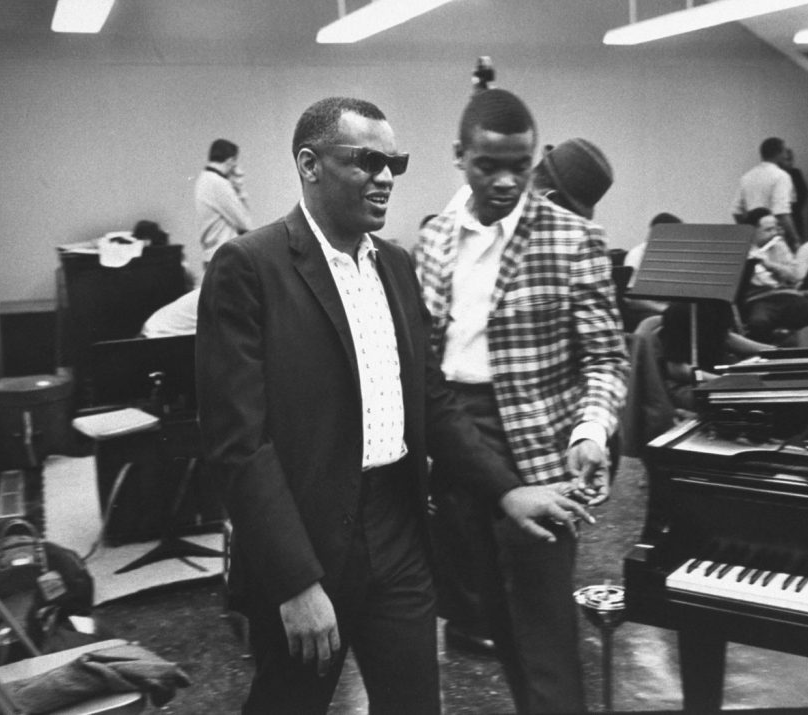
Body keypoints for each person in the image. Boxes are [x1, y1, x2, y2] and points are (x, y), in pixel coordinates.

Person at [196, 96, 591, 715]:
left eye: (394, 163)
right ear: (310, 164)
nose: (386, 177)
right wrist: (296, 581)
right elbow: (238, 445)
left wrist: (507, 491)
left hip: (399, 532)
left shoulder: (396, 267)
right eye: (368, 161)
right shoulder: (250, 267)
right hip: (308, 539)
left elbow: (431, 402)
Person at [415, 88, 629, 714]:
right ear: (460, 156)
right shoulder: (431, 240)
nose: (507, 180)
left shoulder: (574, 238)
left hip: (539, 451)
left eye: (522, 164)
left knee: (544, 634)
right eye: (489, 166)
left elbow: (607, 358)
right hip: (455, 444)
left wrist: (591, 429)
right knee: (490, 621)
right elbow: (426, 359)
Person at [741, 208, 808, 345]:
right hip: (758, 299)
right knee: (758, 324)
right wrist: (749, 265)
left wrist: (770, 265)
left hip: (787, 295)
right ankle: (770, 356)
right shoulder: (741, 249)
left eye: (776, 229)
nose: (774, 234)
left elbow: (794, 275)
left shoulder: (779, 245)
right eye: (768, 230)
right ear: (752, 230)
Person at [658, 300, 772, 410]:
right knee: (749, 399)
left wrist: (774, 351)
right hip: (687, 384)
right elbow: (677, 370)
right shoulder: (677, 311)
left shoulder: (719, 302)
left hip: (718, 373)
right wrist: (723, 380)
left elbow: (726, 338)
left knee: (770, 382)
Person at [732, 137, 800, 250]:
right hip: (774, 237)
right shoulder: (781, 176)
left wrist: (749, 230)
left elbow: (736, 211)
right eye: (784, 152)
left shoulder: (747, 176)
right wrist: (795, 238)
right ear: (779, 153)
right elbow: (781, 212)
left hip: (754, 238)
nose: (786, 156)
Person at [195, 138, 253, 266]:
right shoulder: (218, 183)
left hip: (213, 257)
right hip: (226, 258)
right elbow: (245, 223)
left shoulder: (204, 179)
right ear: (231, 161)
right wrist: (240, 188)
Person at [780, 146, 808, 243]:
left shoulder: (796, 174)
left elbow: (804, 196)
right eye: (787, 160)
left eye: (791, 159)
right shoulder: (776, 177)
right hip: (781, 221)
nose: (791, 163)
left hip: (797, 217)